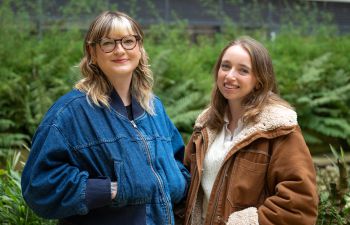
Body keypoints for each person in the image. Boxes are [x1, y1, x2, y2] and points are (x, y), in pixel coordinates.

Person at [21, 11, 190, 225]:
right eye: (108, 43)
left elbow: (179, 161)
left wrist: (174, 181)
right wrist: (112, 190)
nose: (120, 50)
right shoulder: (70, 112)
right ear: (92, 52)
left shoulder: (154, 108)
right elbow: (39, 185)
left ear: (139, 48)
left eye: (128, 41)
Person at [183, 36, 318, 225]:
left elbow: (299, 203)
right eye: (225, 66)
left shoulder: (279, 128)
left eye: (243, 70)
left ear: (259, 81)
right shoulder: (206, 126)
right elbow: (186, 188)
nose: (230, 76)